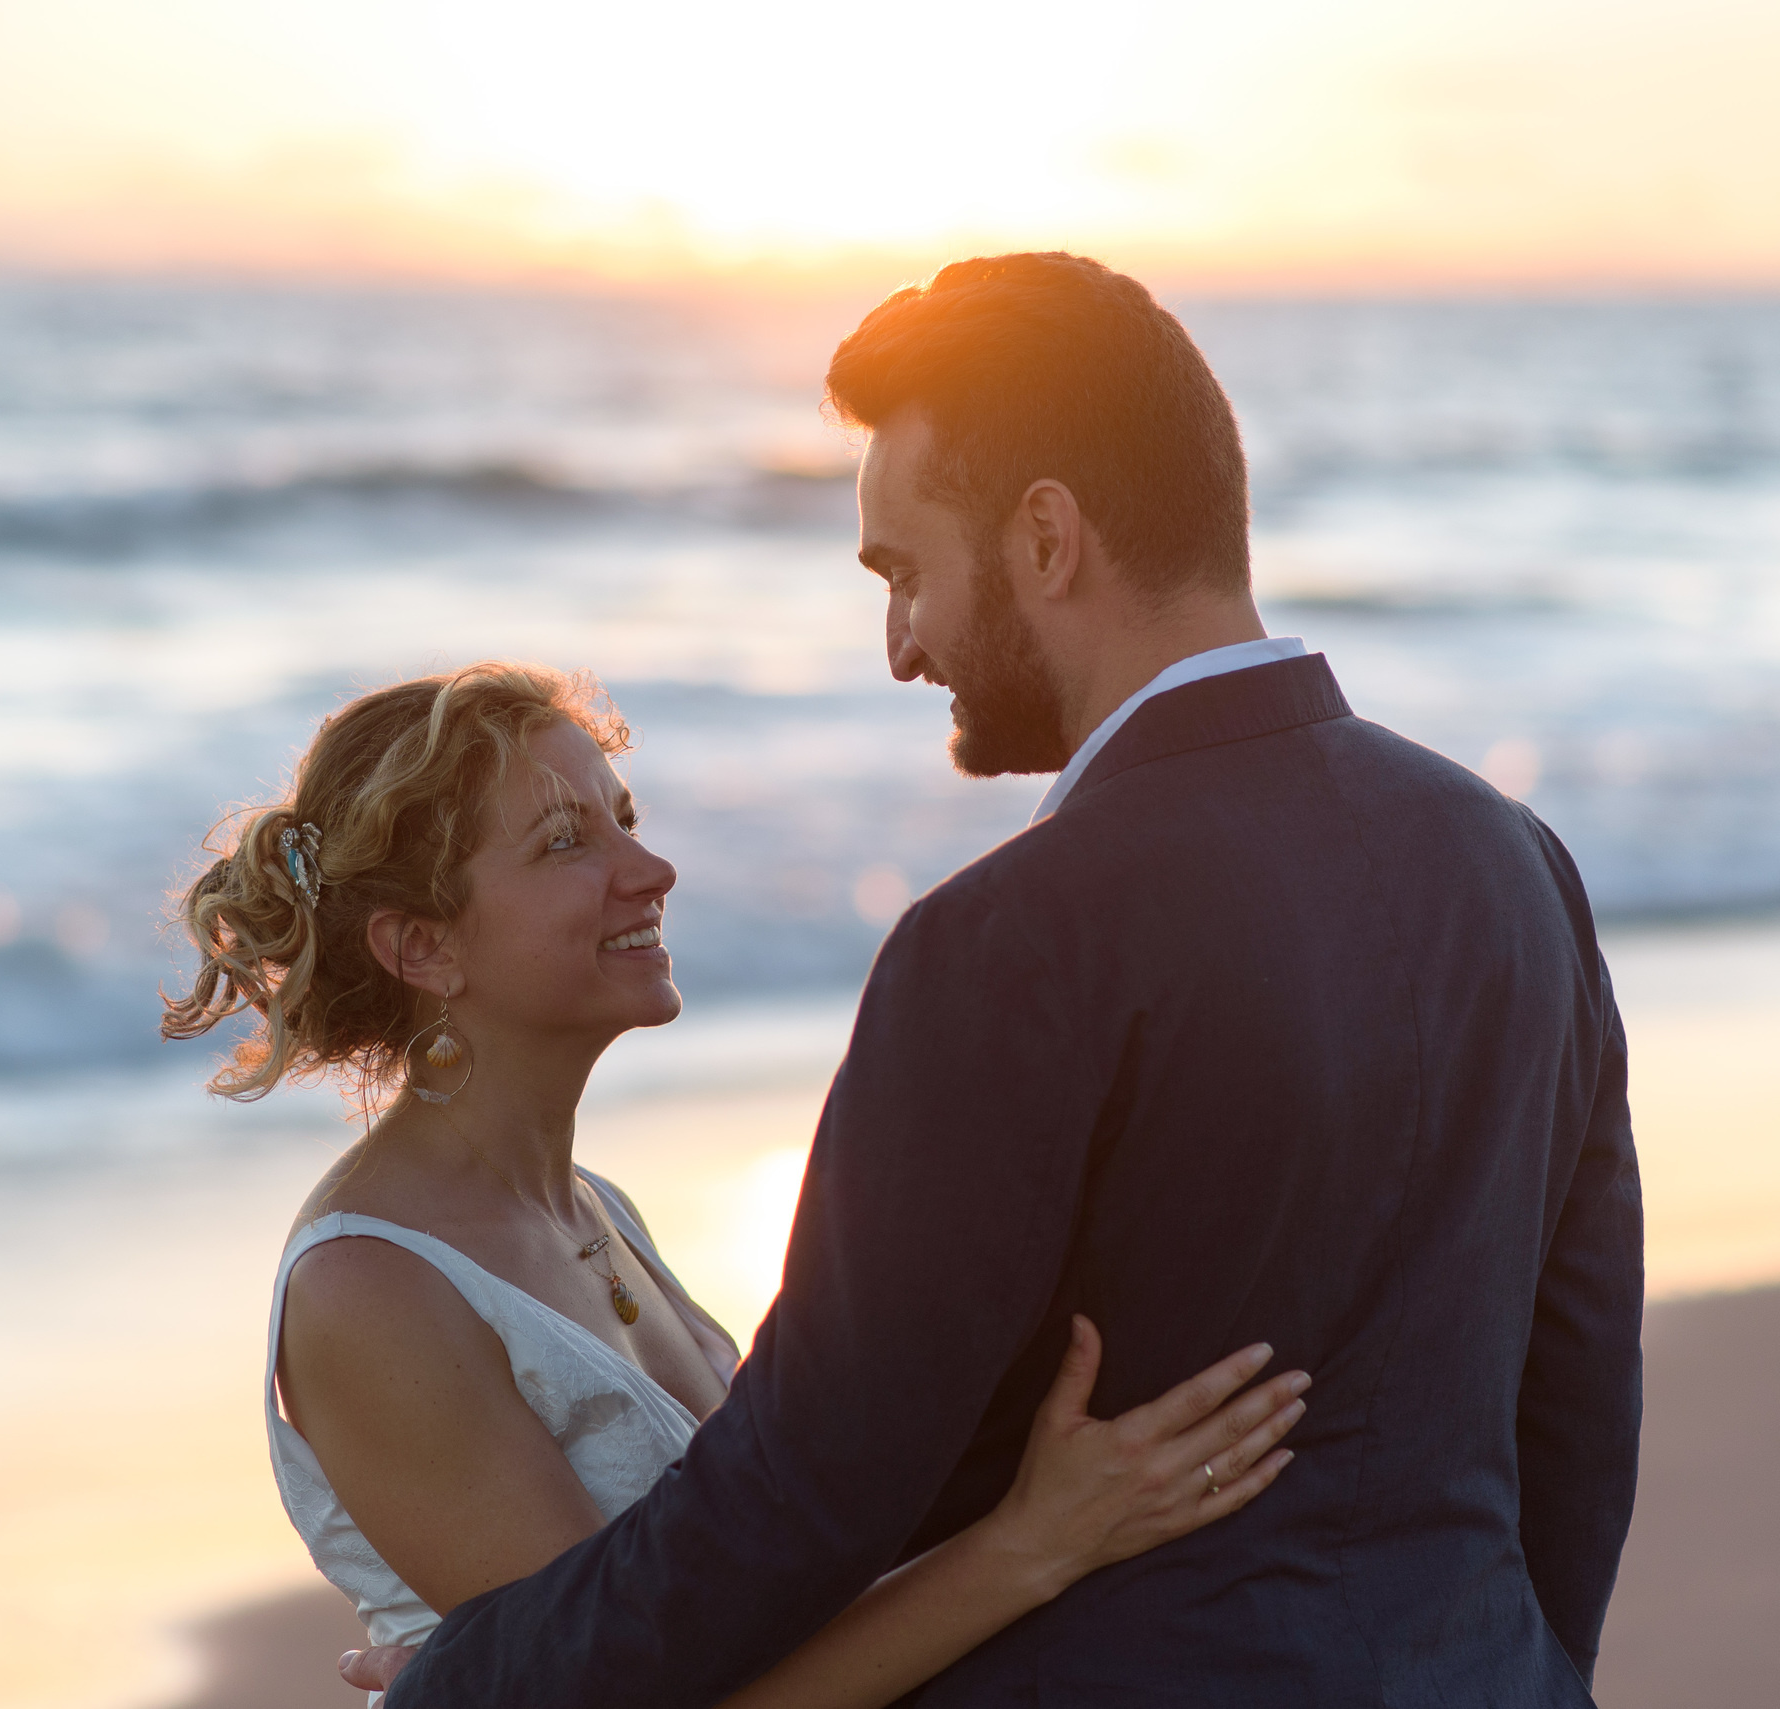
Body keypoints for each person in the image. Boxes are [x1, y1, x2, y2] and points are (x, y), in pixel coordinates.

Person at [360, 254, 1643, 1707]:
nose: (901, 643)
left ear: (1046, 538)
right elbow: (1579, 1398)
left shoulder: (1006, 943)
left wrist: (469, 1680)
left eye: (906, 573)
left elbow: (804, 1494)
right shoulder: (1513, 860)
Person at [165, 662, 1310, 1707]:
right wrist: (1032, 1542)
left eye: (625, 819)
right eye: (567, 842)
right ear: (422, 947)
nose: (650, 870)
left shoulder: (593, 1208)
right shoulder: (372, 1290)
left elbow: (735, 1608)